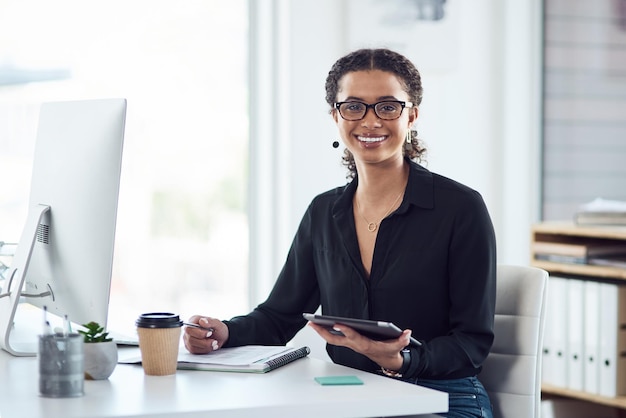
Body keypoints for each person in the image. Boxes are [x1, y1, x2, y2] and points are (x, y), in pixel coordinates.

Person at [184, 48, 496, 418]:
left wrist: (404, 359)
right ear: (336, 115)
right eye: (353, 107)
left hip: (442, 394)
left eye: (387, 106)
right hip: (352, 394)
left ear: (411, 115)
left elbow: (471, 343)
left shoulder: (460, 208)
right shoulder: (323, 213)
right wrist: (224, 333)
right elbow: (279, 316)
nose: (370, 121)